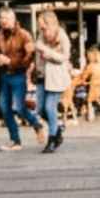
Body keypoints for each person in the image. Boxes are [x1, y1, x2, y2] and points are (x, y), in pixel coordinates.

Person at [0, 7, 44, 151]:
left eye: (6, 18)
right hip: (4, 75)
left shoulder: (24, 35)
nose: (3, 21)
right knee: (5, 109)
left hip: (18, 74)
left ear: (14, 19)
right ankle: (15, 141)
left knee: (19, 107)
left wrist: (11, 62)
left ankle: (37, 124)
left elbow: (29, 57)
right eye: (1, 18)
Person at [34, 10, 73, 154]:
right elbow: (37, 47)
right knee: (40, 109)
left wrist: (47, 52)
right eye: (40, 27)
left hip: (56, 77)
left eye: (43, 27)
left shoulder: (62, 36)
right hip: (41, 76)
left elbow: (64, 57)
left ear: (51, 24)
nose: (41, 30)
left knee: (50, 107)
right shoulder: (42, 35)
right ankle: (58, 128)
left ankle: (52, 140)